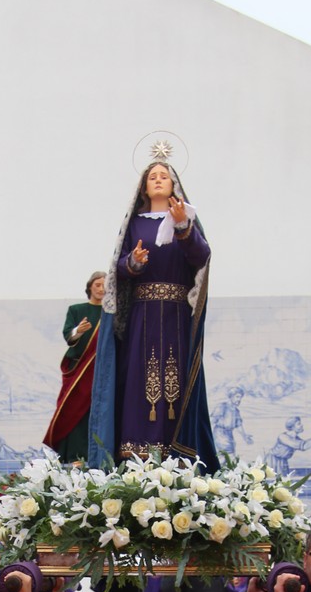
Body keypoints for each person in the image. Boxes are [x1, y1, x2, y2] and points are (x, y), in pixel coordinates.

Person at [88, 158, 218, 471]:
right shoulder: (134, 224)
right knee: (138, 380)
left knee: (176, 382)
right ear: (144, 187)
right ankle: (135, 456)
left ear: (174, 185)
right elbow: (118, 269)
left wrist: (183, 227)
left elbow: (201, 256)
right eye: (152, 177)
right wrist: (133, 262)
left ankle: (178, 456)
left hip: (176, 316)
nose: (158, 180)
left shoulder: (185, 219)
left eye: (164, 176)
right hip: (142, 316)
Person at [43, 271, 105, 463]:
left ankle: (97, 455)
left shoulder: (111, 313)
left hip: (100, 371)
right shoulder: (76, 310)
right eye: (97, 285)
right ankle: (74, 455)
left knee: (95, 412)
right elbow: (68, 336)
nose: (101, 289)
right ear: (90, 287)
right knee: (73, 411)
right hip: (79, 369)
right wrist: (79, 330)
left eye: (105, 285)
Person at [212, 387, 253, 457]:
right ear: (231, 396)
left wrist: (245, 437)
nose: (239, 399)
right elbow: (212, 420)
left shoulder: (236, 411)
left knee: (229, 456)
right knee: (226, 456)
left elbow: (239, 425)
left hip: (229, 436)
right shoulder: (222, 407)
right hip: (220, 435)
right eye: (237, 397)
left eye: (240, 397)